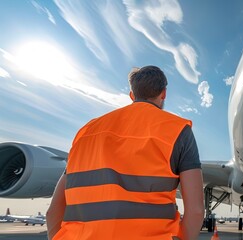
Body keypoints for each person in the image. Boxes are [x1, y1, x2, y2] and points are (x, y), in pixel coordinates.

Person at [46, 66, 205, 240]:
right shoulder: (178, 130)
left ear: (132, 95)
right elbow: (196, 211)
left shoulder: (86, 132)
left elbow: (53, 211)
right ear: (163, 93)